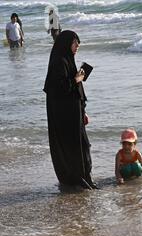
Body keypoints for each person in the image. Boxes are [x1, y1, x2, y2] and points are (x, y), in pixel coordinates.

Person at [43, 30, 97, 190]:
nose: (77, 46)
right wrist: (76, 79)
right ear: (66, 44)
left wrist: (83, 111)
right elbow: (58, 89)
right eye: (75, 43)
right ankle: (76, 179)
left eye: (78, 44)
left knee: (83, 145)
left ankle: (85, 177)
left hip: (75, 113)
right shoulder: (58, 62)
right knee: (72, 147)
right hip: (64, 117)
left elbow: (76, 91)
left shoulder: (68, 60)